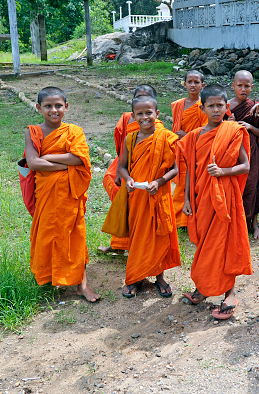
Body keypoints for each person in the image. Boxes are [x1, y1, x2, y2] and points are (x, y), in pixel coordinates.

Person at [177, 84, 252, 320]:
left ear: (227, 107)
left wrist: (223, 171)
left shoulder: (233, 130)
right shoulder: (194, 136)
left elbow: (246, 165)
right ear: (202, 108)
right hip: (201, 198)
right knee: (205, 244)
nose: (216, 109)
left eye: (220, 105)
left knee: (224, 243)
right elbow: (190, 169)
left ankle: (229, 293)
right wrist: (187, 199)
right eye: (211, 105)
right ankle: (203, 287)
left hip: (224, 199)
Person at [25, 86, 100, 302]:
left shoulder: (74, 131)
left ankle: (82, 285)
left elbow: (80, 159)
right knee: (47, 234)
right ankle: (49, 276)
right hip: (47, 194)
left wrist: (47, 158)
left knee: (74, 235)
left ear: (66, 107)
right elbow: (32, 163)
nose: (53, 110)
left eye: (58, 106)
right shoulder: (32, 132)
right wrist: (65, 163)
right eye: (48, 106)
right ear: (39, 108)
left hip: (70, 194)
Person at [118, 96, 180, 298]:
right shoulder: (130, 139)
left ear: (157, 114)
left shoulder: (167, 138)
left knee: (159, 234)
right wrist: (127, 179)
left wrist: (159, 182)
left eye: (148, 113)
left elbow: (175, 169)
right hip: (137, 195)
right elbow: (122, 167)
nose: (145, 117)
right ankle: (136, 277)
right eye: (140, 114)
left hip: (158, 194)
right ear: (133, 116)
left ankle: (159, 278)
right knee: (138, 236)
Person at [99, 84, 165, 254]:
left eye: (146, 97)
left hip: (145, 173)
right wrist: (122, 171)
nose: (142, 101)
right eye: (138, 97)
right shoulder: (127, 118)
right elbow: (122, 144)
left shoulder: (159, 128)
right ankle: (119, 243)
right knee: (116, 193)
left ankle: (134, 245)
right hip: (125, 164)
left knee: (136, 206)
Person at [227, 70, 259, 239]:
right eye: (239, 86)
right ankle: (234, 222)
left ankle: (254, 224)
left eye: (247, 86)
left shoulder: (256, 106)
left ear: (252, 87)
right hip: (231, 151)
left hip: (252, 151)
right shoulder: (226, 106)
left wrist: (251, 127)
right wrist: (228, 124)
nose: (243, 89)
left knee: (253, 185)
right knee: (234, 185)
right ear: (233, 86)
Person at [171, 70, 208, 228]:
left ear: (202, 85)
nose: (193, 85)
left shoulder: (204, 106)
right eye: (190, 82)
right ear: (184, 84)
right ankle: (180, 220)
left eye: (196, 82)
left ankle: (191, 219)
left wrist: (186, 135)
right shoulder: (178, 105)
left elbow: (207, 131)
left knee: (193, 184)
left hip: (197, 151)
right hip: (180, 150)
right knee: (181, 185)